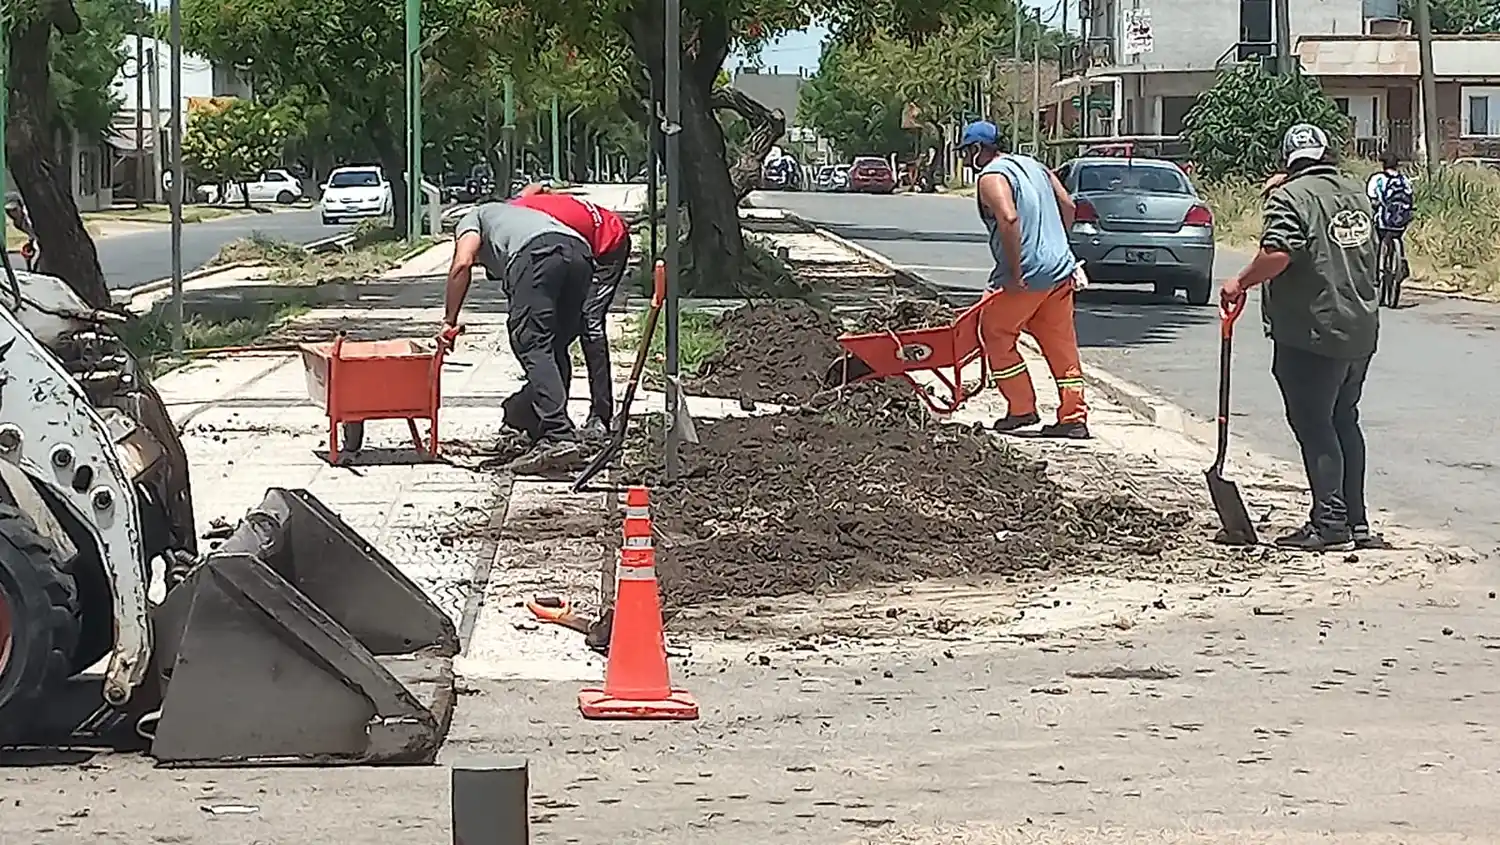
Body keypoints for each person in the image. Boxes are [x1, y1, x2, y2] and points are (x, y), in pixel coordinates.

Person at [1220, 124, 1382, 552]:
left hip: (1312, 332)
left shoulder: (1290, 197)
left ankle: (1329, 523)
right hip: (1359, 327)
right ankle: (1356, 522)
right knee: (1344, 419)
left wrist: (1240, 282)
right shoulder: (1356, 192)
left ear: (1287, 160)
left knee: (1314, 423)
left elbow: (1278, 253)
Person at [958, 119, 1090, 439]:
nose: (964, 159)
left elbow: (1008, 217)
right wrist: (1057, 247)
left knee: (995, 332)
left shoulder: (991, 177)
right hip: (1061, 271)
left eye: (965, 152)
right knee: (1060, 344)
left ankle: (1021, 408)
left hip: (1027, 275)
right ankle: (1073, 416)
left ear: (977, 149)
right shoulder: (1036, 166)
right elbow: (1069, 206)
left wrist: (1016, 273)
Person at [442, 201, 595, 472]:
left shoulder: (473, 218)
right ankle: (535, 419)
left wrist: (449, 321)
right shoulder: (514, 216)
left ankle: (557, 434)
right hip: (580, 253)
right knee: (553, 348)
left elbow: (462, 263)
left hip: (537, 255)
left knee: (532, 342)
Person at [510, 183, 631, 439]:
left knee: (590, 324)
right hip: (573, 249)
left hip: (608, 243)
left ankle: (601, 414)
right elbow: (536, 186)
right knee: (551, 332)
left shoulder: (521, 222)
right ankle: (548, 413)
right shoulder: (517, 208)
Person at [1365, 150, 1414, 293]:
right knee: (1397, 237)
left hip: (1383, 220)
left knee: (1376, 242)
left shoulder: (1377, 179)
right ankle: (1400, 262)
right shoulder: (1405, 180)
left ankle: (1376, 274)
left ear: (1383, 164)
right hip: (1401, 221)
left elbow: (1371, 197)